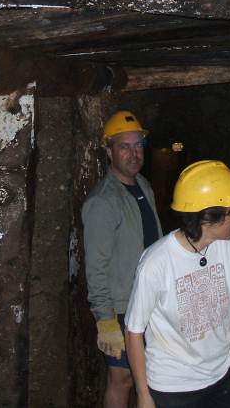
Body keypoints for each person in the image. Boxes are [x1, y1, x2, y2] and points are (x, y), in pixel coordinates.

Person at [125, 160, 230, 408]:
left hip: (224, 376)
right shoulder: (156, 263)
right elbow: (134, 331)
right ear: (208, 218)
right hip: (174, 388)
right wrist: (143, 394)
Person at [82, 110, 163, 408]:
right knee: (122, 378)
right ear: (109, 152)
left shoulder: (143, 186)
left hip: (149, 300)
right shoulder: (103, 202)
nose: (133, 153)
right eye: (124, 146)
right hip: (121, 308)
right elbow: (96, 267)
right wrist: (105, 320)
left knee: (146, 374)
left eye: (138, 145)